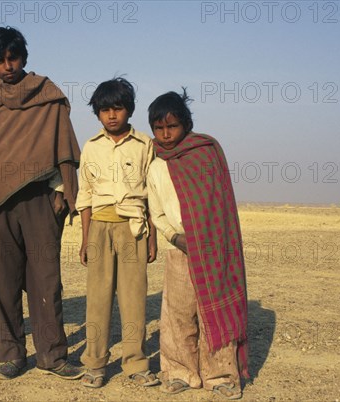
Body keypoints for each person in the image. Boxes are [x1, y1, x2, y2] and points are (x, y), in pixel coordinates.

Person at [0, 26, 82, 380]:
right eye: (0, 60)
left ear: (25, 56)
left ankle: (52, 355)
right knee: (1, 280)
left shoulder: (48, 94)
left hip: (40, 198)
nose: (8, 66)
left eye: (14, 57)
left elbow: (61, 145)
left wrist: (61, 189)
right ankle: (10, 355)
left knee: (46, 279)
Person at [146, 90, 249, 399]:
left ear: (186, 124)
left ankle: (220, 375)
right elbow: (157, 212)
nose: (165, 135)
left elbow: (221, 204)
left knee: (213, 311)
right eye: (159, 128)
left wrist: (205, 239)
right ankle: (180, 372)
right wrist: (176, 237)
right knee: (178, 313)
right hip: (179, 248)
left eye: (172, 127)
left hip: (214, 248)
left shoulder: (206, 152)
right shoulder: (154, 165)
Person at [76, 77, 159, 388]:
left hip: (133, 228)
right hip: (98, 226)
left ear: (130, 110)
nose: (111, 115)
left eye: (118, 108)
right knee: (97, 299)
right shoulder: (91, 147)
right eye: (105, 110)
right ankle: (95, 364)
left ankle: (136, 363)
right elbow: (84, 195)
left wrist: (151, 235)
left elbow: (153, 193)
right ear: (97, 113)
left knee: (133, 298)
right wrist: (85, 238)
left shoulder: (145, 145)